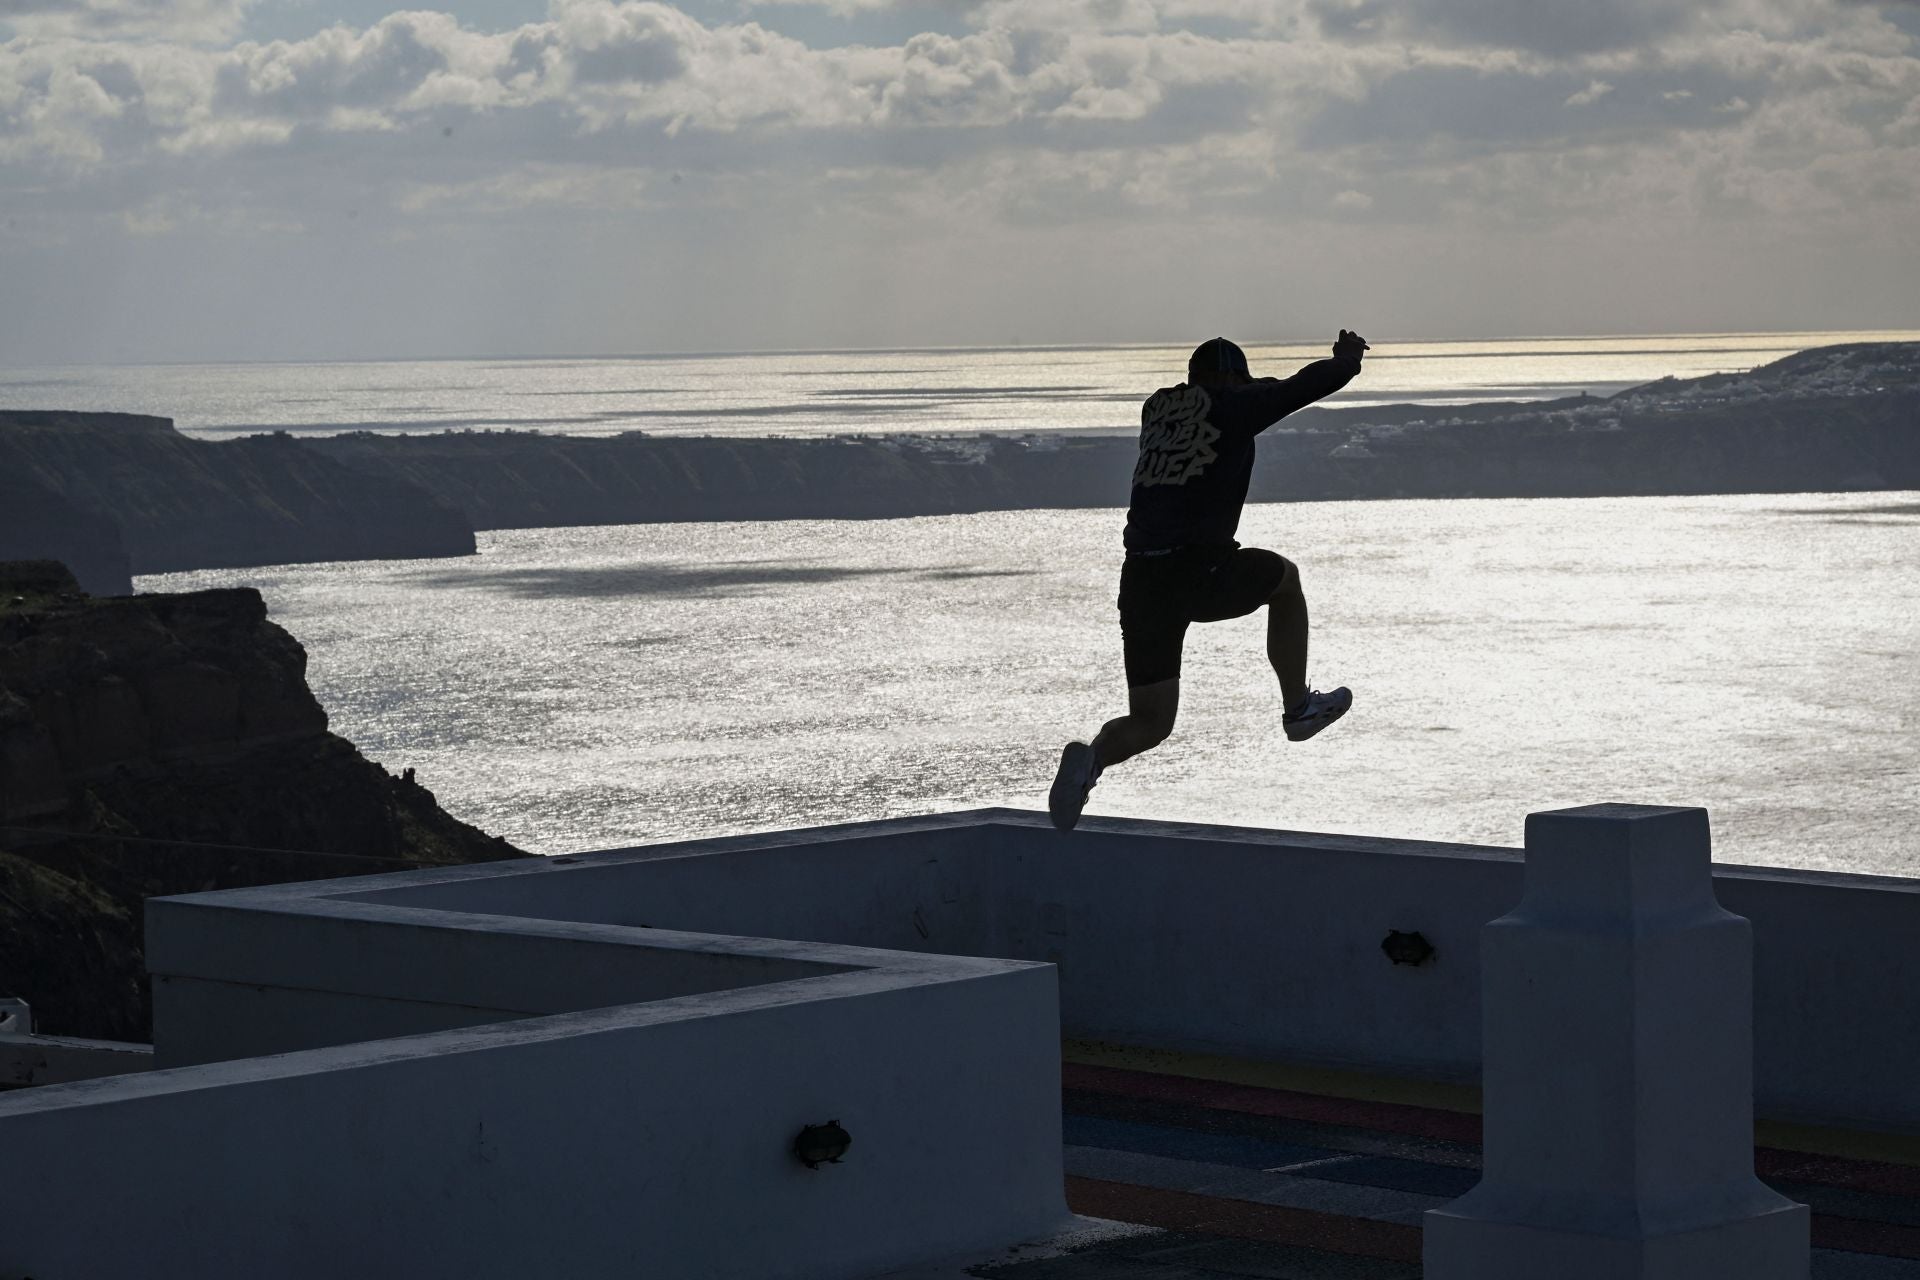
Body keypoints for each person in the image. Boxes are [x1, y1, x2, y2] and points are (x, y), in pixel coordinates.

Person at [1048, 330, 1370, 831]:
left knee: (1151, 721)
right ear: (1236, 379)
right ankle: (1298, 709)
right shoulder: (1236, 404)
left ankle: (1090, 762)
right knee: (1285, 581)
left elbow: (1218, 402)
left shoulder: (1157, 409)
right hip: (1197, 570)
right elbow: (1297, 388)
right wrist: (1346, 360)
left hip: (1141, 578)